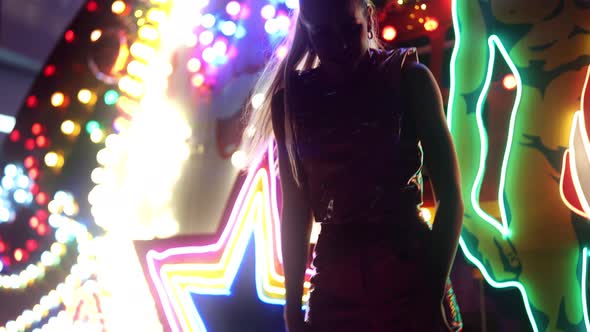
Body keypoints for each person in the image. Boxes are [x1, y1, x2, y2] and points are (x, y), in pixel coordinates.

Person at [242, 0, 464, 330]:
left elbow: (452, 199)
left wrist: (428, 296)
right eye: (324, 34)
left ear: (370, 19)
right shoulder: (291, 101)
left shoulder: (410, 80)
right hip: (337, 286)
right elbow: (296, 209)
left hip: (408, 273)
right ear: (309, 33)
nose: (341, 45)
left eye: (350, 29)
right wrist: (292, 309)